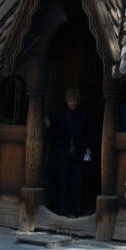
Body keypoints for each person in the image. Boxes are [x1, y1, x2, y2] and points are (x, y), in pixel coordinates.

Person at [46, 88, 91, 217]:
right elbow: (54, 133)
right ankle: (61, 208)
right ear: (67, 101)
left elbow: (87, 132)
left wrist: (88, 147)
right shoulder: (59, 114)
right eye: (71, 101)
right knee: (62, 180)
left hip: (78, 151)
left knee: (77, 181)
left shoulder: (83, 114)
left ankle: (77, 209)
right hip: (62, 152)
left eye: (75, 101)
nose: (73, 103)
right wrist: (49, 125)